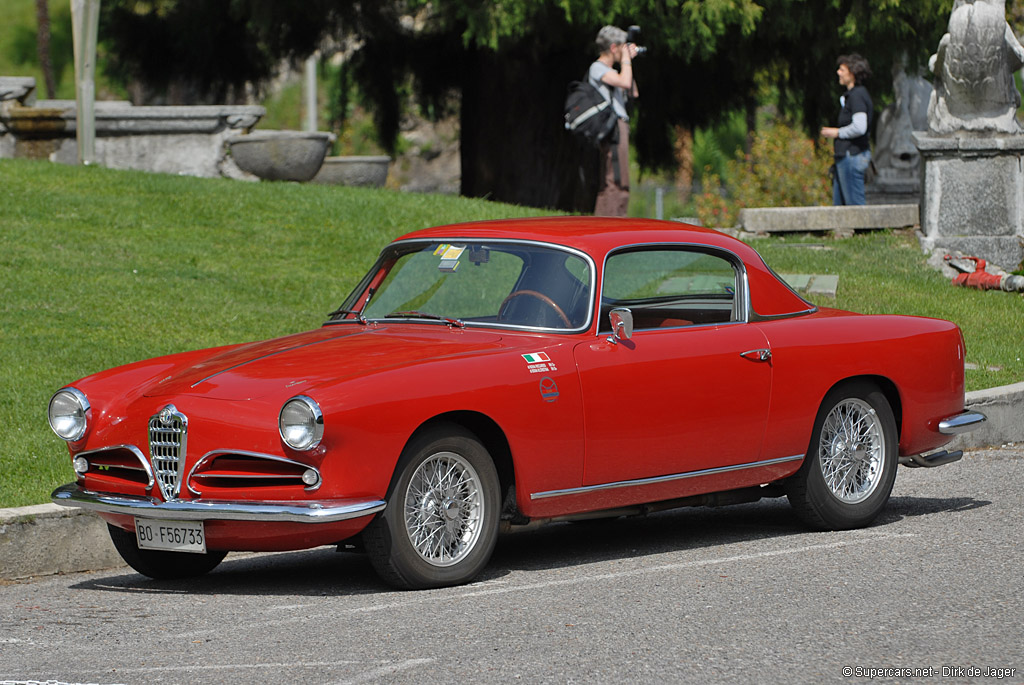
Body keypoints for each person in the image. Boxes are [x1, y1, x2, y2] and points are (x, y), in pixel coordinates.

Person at [590, 25, 639, 216]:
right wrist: (626, 61)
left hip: (619, 126)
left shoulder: (614, 72)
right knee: (616, 179)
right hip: (613, 128)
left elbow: (632, 91)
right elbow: (625, 82)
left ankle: (609, 222)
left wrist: (626, 64)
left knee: (615, 178)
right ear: (613, 48)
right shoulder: (597, 68)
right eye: (621, 47)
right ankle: (612, 222)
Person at [820, 53, 873, 206]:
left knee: (854, 208)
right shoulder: (852, 96)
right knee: (841, 209)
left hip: (852, 156)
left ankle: (863, 230)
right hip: (846, 157)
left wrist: (837, 132)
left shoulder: (857, 95)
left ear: (853, 72)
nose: (838, 72)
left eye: (842, 69)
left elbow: (860, 127)